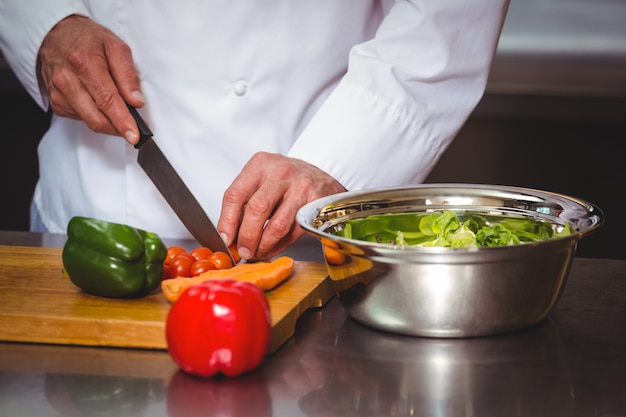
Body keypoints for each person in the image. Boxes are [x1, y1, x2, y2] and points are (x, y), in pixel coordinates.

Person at [0, 1, 509, 261]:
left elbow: (447, 17)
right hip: (98, 209)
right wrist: (43, 25)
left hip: (323, 226)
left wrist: (340, 158)